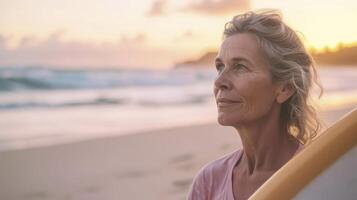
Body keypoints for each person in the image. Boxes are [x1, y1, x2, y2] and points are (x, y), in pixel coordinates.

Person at [186, 9, 322, 200]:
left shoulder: (320, 177)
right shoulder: (209, 181)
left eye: (240, 67)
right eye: (220, 67)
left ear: (284, 89)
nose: (219, 82)